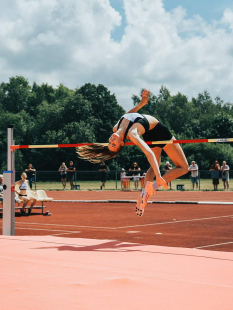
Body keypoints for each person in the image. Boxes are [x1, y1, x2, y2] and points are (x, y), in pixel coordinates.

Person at [77, 89, 189, 216]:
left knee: (156, 162)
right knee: (184, 168)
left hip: (149, 132)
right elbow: (148, 153)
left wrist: (142, 104)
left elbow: (128, 115)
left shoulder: (116, 127)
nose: (111, 141)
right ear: (122, 143)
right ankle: (153, 187)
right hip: (159, 131)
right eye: (114, 144)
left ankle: (145, 194)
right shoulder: (132, 134)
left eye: (110, 143)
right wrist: (158, 177)